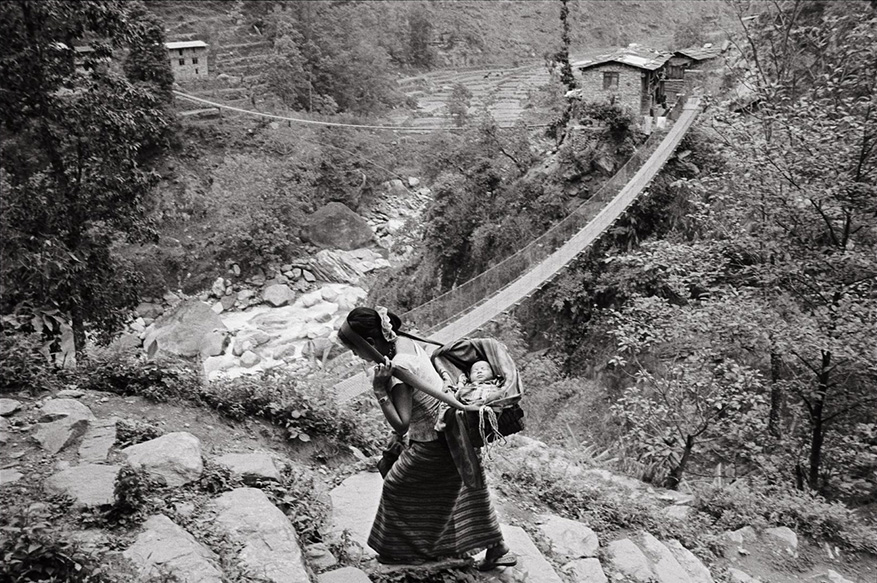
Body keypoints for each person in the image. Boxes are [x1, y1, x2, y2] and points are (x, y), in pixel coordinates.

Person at [338, 306, 517, 570]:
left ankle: (407, 554)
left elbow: (401, 424)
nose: (356, 355)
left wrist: (379, 389)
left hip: (433, 442)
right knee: (459, 490)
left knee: (396, 488)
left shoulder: (398, 367)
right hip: (451, 432)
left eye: (355, 349)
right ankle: (494, 547)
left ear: (371, 342)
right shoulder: (404, 341)